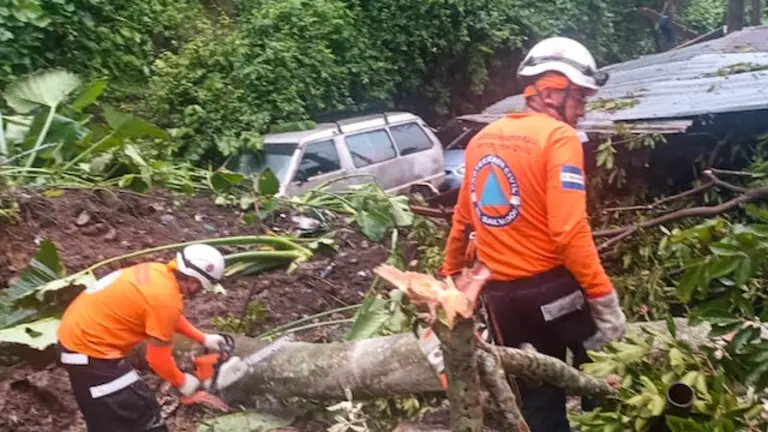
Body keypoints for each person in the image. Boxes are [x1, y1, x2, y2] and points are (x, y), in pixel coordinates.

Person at [438, 36, 627, 431]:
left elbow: (463, 217)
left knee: (537, 402)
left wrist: (450, 272)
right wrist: (603, 300)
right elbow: (569, 231)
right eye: (580, 99)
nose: (582, 110)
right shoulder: (559, 139)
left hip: (503, 301)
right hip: (555, 294)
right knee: (607, 378)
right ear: (552, 92)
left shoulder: (480, 140)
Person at [57, 243, 229, 432]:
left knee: (104, 416)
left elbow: (164, 316)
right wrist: (184, 383)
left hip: (74, 341)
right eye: (201, 287)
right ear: (194, 281)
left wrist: (202, 338)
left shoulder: (157, 272)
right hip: (91, 352)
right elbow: (157, 359)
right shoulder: (165, 300)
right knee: (140, 413)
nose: (200, 292)